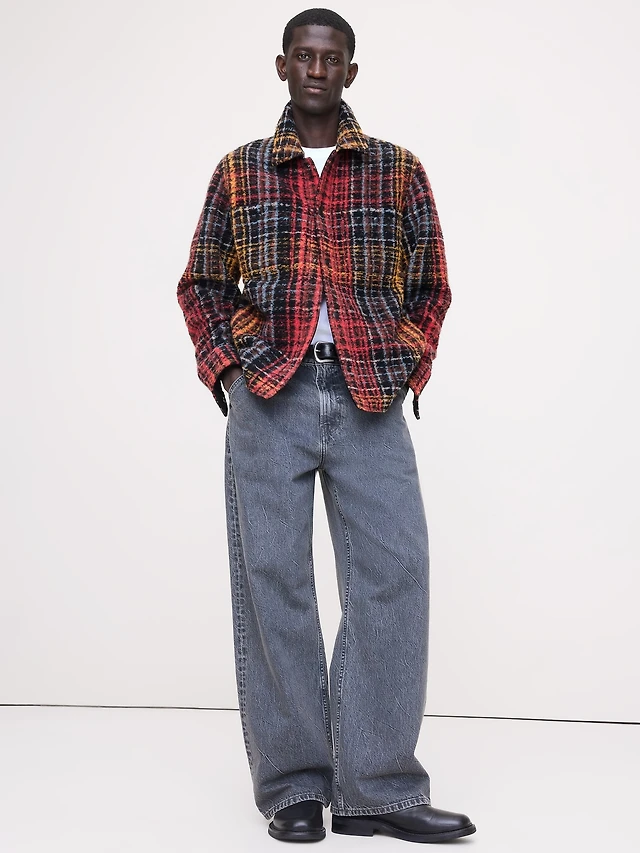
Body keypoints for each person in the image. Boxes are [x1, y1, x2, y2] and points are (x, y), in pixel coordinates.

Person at [177, 7, 476, 845]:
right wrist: (230, 372)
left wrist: (406, 362)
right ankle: (295, 787)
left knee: (394, 574)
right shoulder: (239, 171)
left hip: (368, 392)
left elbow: (432, 285)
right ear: (282, 66)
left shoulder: (396, 169)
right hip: (268, 394)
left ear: (351, 71)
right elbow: (201, 284)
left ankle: (377, 787)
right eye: (304, 56)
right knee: (274, 583)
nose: (317, 69)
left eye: (332, 57)